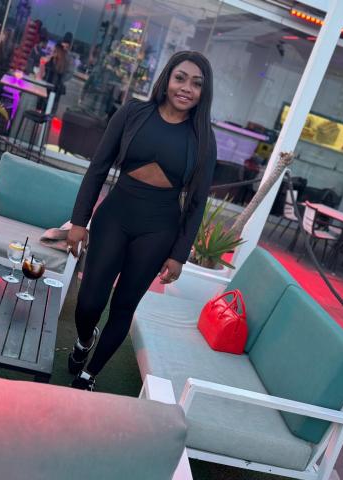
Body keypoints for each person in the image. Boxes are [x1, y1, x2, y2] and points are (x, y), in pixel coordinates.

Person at [65, 51, 217, 391]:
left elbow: (196, 203)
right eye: (180, 78)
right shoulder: (133, 113)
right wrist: (79, 220)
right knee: (89, 301)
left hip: (158, 229)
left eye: (196, 84)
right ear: (167, 79)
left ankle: (89, 375)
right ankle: (85, 340)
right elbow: (98, 167)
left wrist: (179, 254)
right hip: (114, 216)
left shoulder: (204, 140)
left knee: (124, 306)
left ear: (203, 92)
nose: (186, 88)